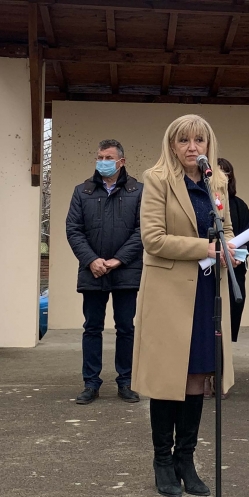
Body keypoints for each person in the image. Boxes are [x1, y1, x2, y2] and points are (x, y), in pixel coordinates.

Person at [132, 114, 238, 497]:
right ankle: (162, 460)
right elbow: (153, 238)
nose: (193, 147)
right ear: (172, 145)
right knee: (167, 378)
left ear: (208, 144)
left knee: (197, 375)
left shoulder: (216, 181)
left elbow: (225, 229)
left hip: (206, 291)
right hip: (168, 293)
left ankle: (185, 460)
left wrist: (231, 249)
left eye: (199, 140)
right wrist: (206, 248)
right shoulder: (157, 179)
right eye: (184, 140)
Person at [66, 139, 143, 405]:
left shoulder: (138, 191)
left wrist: (118, 260)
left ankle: (126, 382)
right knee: (92, 328)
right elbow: (73, 229)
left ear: (121, 161)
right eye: (99, 157)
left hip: (126, 271)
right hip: (93, 272)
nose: (103, 162)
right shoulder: (82, 191)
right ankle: (91, 383)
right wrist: (91, 260)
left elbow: (143, 230)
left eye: (108, 158)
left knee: (126, 328)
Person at [201, 158, 249, 401]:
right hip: (204, 269)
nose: (222, 176)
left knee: (225, 326)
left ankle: (221, 376)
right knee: (205, 325)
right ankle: (204, 376)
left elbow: (248, 238)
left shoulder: (238, 205)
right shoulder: (203, 201)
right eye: (218, 171)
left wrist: (236, 256)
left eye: (227, 172)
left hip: (231, 270)